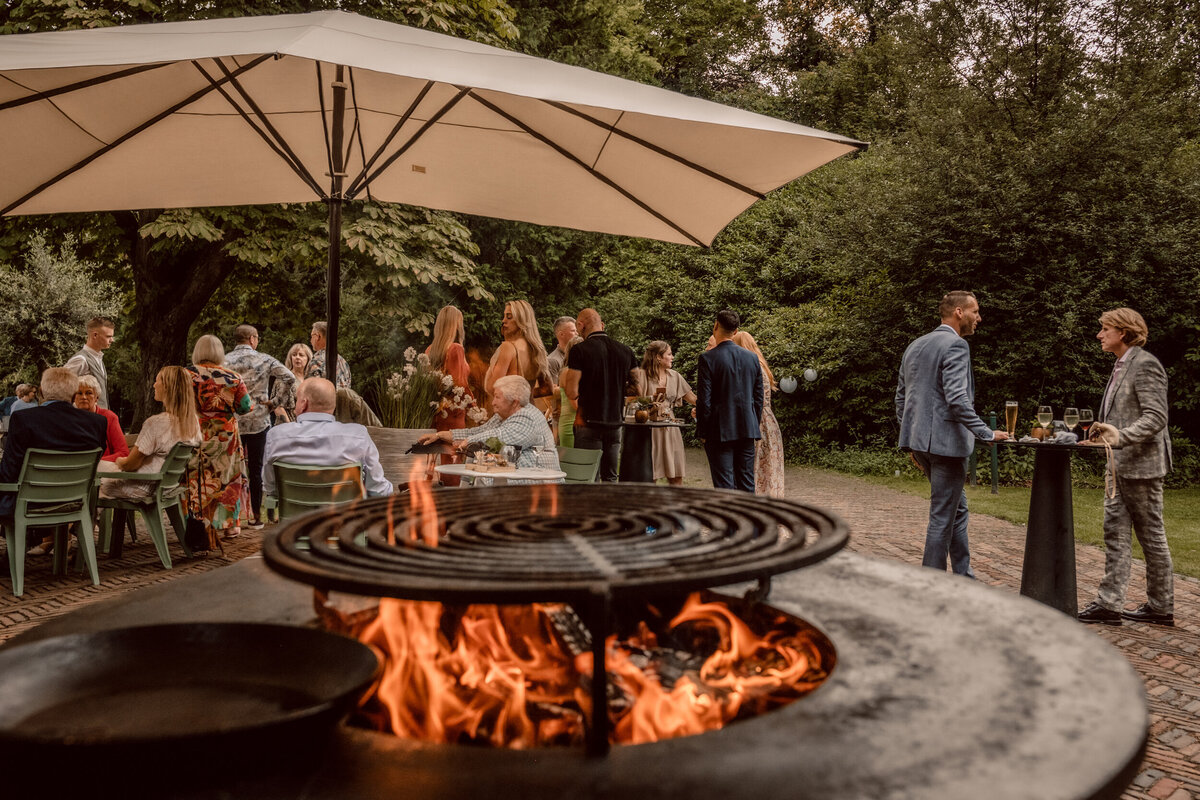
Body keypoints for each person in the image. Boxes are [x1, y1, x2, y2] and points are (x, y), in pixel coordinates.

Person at [895, 291, 1009, 578]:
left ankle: (963, 575)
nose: (978, 318)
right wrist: (986, 433)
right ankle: (931, 582)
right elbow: (958, 400)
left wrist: (910, 439)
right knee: (942, 517)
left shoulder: (915, 346)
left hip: (921, 443)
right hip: (945, 446)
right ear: (959, 312)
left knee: (956, 510)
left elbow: (901, 399)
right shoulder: (956, 346)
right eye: (975, 311)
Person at [1077, 308, 1174, 626]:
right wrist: (1103, 431)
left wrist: (1120, 436)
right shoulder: (1121, 366)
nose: (1099, 334)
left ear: (1123, 332)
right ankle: (1109, 604)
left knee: (1151, 537)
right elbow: (1127, 414)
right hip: (1118, 465)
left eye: (1105, 329)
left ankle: (1161, 607)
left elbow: (1156, 417)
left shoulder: (1145, 365)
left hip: (1143, 468)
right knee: (1114, 534)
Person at [0, 368, 107, 524]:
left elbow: (10, 469)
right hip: (75, 499)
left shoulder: (23, 419)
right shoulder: (97, 422)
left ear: (42, 392)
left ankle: (19, 541)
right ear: (73, 395)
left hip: (30, 500)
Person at [264, 378, 393, 499]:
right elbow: (378, 489)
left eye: (297, 400)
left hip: (295, 520)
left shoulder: (276, 436)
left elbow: (270, 488)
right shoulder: (358, 436)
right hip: (344, 520)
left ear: (303, 404)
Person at [419, 375, 561, 482]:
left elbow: (498, 437)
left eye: (497, 397)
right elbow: (480, 431)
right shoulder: (504, 415)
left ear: (515, 401)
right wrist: (442, 435)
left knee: (483, 467)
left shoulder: (528, 417)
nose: (492, 403)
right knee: (481, 467)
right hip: (519, 481)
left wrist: (468, 442)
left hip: (541, 484)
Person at [223, 324, 296, 529]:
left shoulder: (224, 361)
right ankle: (256, 517)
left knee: (232, 470)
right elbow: (289, 377)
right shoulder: (265, 359)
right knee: (255, 469)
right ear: (253, 339)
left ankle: (232, 520)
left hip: (233, 421)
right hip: (258, 420)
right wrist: (275, 401)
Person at [98, 366, 201, 500]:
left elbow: (130, 465)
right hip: (166, 486)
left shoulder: (156, 423)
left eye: (157, 381)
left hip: (141, 486)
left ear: (167, 387)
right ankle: (113, 521)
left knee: (94, 479)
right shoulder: (192, 422)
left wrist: (119, 461)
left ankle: (89, 520)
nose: (153, 385)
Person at [188, 334, 253, 545]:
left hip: (196, 432)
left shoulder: (186, 374)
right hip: (226, 437)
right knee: (228, 478)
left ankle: (198, 521)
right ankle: (230, 525)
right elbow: (244, 407)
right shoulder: (233, 377)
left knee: (198, 477)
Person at [562, 308, 638, 482]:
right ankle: (609, 508)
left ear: (580, 326)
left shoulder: (579, 351)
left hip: (588, 422)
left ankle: (590, 509)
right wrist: (616, 388)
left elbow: (572, 392)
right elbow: (638, 388)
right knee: (610, 477)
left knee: (588, 477)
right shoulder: (625, 351)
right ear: (602, 325)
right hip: (615, 423)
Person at [696, 310, 763, 492]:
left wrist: (703, 430)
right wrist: (753, 424)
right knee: (747, 484)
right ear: (735, 332)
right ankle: (749, 520)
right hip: (747, 429)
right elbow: (758, 399)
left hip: (719, 431)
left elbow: (704, 401)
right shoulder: (752, 358)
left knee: (725, 486)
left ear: (715, 325)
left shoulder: (708, 358)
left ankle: (730, 521)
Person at [635, 341, 696, 486]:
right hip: (648, 430)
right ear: (658, 357)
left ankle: (676, 507)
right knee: (649, 477)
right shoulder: (640, 376)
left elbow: (693, 399)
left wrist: (714, 405)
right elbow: (632, 402)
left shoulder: (675, 376)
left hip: (670, 429)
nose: (672, 357)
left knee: (676, 476)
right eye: (669, 354)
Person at [732, 331, 785, 498]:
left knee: (756, 466)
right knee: (767, 466)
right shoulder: (761, 366)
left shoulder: (753, 367)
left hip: (757, 419)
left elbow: (756, 399)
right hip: (768, 419)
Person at [485, 300, 555, 420]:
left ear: (521, 320)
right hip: (530, 414)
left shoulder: (508, 347)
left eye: (509, 317)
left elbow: (493, 387)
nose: (503, 321)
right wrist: (525, 396)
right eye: (504, 316)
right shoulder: (536, 350)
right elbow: (548, 389)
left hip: (509, 416)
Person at [74, 375, 128, 463]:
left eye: (89, 393)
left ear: (97, 398)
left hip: (102, 470)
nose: (83, 397)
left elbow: (123, 453)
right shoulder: (69, 419)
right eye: (79, 393)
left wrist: (93, 463)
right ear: (74, 398)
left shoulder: (109, 417)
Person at [64, 316, 115, 409]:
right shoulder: (80, 359)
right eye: (108, 336)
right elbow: (61, 388)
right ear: (95, 335)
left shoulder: (98, 358)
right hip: (85, 418)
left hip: (98, 417)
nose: (112, 340)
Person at [306, 320, 352, 389]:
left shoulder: (317, 359)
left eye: (312, 336)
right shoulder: (343, 362)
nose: (310, 340)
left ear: (318, 336)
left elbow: (314, 390)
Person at [556, 335, 583, 448]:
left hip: (575, 422)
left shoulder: (570, 370)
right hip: (571, 423)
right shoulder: (568, 372)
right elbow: (574, 403)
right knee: (571, 461)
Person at [281, 342, 314, 421]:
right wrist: (290, 427)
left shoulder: (312, 379)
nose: (297, 357)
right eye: (294, 355)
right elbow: (278, 407)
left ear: (308, 359)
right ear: (290, 358)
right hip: (289, 427)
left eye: (301, 355)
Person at [546, 316, 578, 384]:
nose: (577, 334)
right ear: (561, 334)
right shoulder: (552, 361)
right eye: (573, 331)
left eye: (577, 331)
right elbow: (553, 391)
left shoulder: (578, 356)